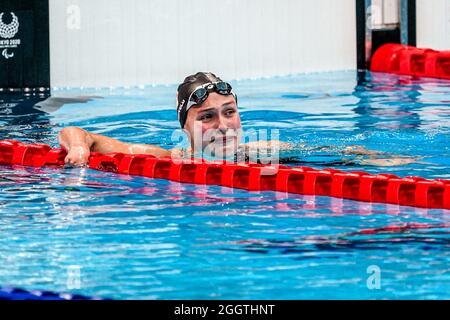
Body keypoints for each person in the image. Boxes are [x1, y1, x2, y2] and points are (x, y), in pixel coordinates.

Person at [58, 72, 418, 167]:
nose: (224, 125)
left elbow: (341, 151)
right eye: (207, 117)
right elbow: (76, 131)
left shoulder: (264, 150)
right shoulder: (165, 158)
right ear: (185, 127)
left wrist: (380, 159)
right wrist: (78, 148)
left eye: (229, 112)